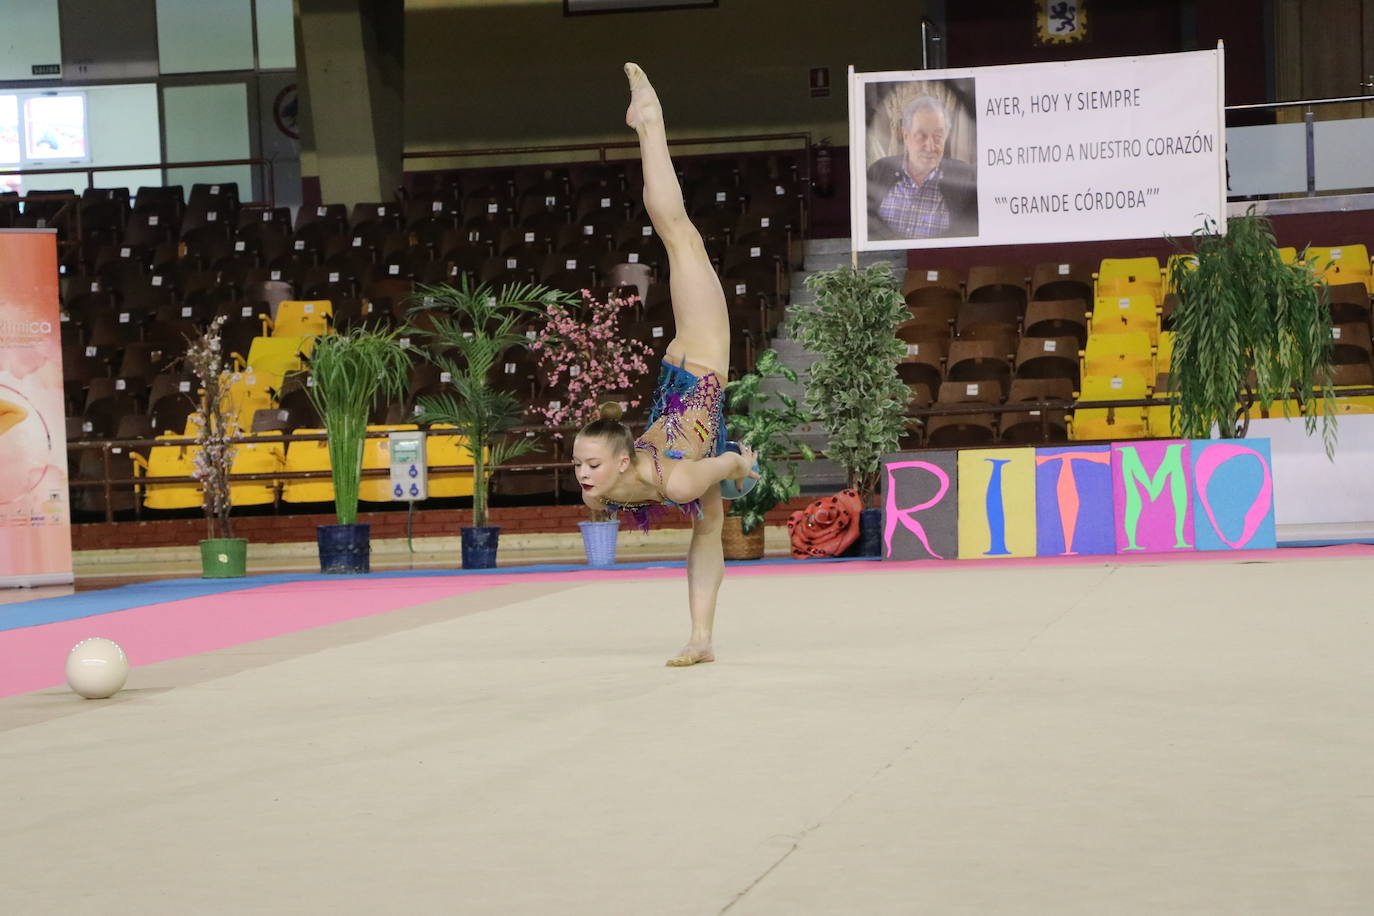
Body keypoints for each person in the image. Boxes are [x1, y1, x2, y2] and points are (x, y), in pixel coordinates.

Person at [571, 63, 760, 668]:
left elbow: (727, 463)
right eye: (579, 463)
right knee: (707, 523)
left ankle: (649, 123)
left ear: (621, 461)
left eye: (589, 463)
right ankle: (701, 636)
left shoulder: (653, 485)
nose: (580, 473)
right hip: (688, 404)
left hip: (701, 361)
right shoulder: (615, 489)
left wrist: (745, 466)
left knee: (677, 232)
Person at [866, 94, 978, 241]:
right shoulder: (878, 171)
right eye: (921, 136)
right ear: (906, 136)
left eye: (938, 136)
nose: (930, 146)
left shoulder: (965, 180)